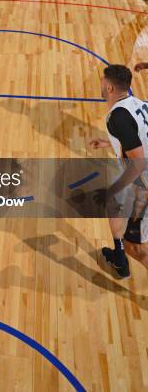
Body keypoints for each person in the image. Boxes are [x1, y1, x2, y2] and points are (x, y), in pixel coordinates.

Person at [90, 65, 148, 277]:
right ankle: (118, 257)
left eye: (102, 81)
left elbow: (139, 163)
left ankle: (123, 255)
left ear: (110, 87)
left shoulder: (118, 118)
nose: (101, 84)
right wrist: (109, 143)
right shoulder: (138, 104)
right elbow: (140, 135)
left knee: (137, 249)